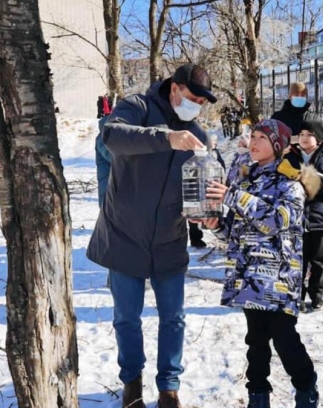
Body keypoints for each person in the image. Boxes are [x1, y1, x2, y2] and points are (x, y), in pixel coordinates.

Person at [87, 63, 218, 408]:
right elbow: (111, 136)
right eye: (192, 98)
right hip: (124, 234)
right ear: (174, 88)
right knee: (127, 318)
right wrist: (166, 139)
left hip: (169, 240)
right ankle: (131, 382)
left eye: (202, 103)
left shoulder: (198, 136)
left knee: (173, 318)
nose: (195, 107)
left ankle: (169, 386)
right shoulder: (138, 108)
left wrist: (207, 209)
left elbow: (198, 192)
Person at [205, 119, 321, 408]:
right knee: (255, 340)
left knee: (284, 338)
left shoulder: (291, 185)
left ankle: (306, 387)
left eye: (262, 137)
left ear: (278, 145)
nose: (253, 142)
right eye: (253, 136)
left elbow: (274, 221)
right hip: (248, 274)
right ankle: (258, 395)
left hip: (279, 277)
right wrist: (216, 225)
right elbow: (235, 229)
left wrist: (232, 196)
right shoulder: (245, 180)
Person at [284, 119, 323, 312]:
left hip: (320, 215)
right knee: (298, 260)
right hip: (295, 216)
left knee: (318, 260)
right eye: (301, 134)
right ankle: (297, 295)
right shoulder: (290, 155)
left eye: (308, 134)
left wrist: (317, 184)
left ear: (317, 139)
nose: (303, 138)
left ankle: (316, 295)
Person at [188, 133, 226, 248]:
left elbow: (222, 167)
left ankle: (216, 231)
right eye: (211, 142)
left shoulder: (216, 153)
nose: (213, 144)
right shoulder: (193, 156)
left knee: (212, 211)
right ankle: (196, 238)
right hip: (197, 188)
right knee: (194, 213)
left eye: (214, 142)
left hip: (211, 187)